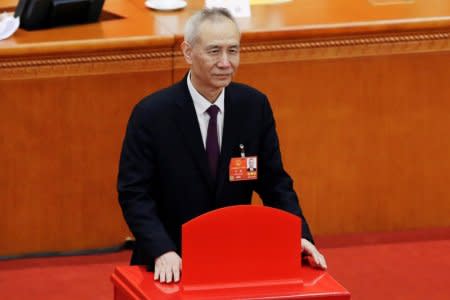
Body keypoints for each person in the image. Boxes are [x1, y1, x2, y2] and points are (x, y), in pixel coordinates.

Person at [117, 8, 326, 284]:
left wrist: (298, 236)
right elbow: (135, 193)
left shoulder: (254, 106)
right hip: (169, 261)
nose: (226, 63)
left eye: (233, 51)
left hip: (233, 257)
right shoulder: (152, 114)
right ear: (188, 52)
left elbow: (275, 184)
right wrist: (162, 249)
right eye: (214, 51)